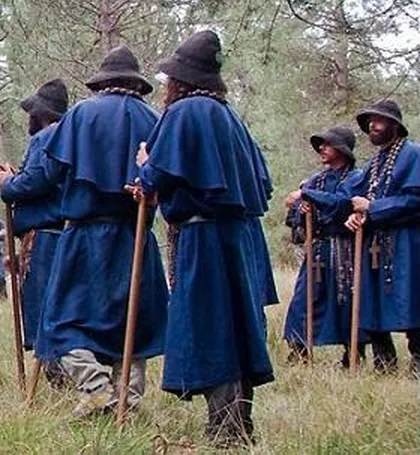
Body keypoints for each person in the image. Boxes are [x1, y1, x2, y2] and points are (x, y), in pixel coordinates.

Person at [135, 30, 274, 446]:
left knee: (213, 325)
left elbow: (159, 174)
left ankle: (227, 430)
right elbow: (260, 184)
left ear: (180, 81)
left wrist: (145, 163)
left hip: (206, 237)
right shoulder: (231, 117)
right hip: (240, 237)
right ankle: (237, 425)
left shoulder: (185, 112)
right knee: (236, 327)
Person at [36, 47, 168, 418]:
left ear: (103, 82)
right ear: (135, 83)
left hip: (85, 238)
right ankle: (129, 399)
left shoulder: (80, 114)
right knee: (133, 321)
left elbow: (51, 173)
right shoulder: (155, 120)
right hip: (134, 236)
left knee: (62, 319)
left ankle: (96, 388)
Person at [291, 99, 420, 375]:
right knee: (370, 304)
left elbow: (414, 201)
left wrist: (372, 208)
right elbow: (347, 200)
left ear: (394, 125)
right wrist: (352, 213)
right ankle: (384, 365)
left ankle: (418, 363)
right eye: (370, 121)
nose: (372, 125)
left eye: (379, 120)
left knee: (410, 300)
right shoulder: (375, 163)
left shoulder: (413, 155)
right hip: (375, 245)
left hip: (407, 242)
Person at [0, 77, 68, 368]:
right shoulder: (66, 135)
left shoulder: (46, 137)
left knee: (45, 308)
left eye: (31, 113)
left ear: (42, 113)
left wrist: (7, 182)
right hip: (57, 234)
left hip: (45, 238)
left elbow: (35, 181)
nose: (28, 119)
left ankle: (57, 373)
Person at [282, 126, 365, 366]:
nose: (322, 148)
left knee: (346, 299)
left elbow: (341, 204)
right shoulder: (315, 181)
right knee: (303, 300)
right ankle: (299, 352)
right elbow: (294, 216)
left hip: (344, 250)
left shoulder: (355, 178)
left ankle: (353, 355)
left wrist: (306, 196)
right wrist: (300, 209)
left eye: (328, 144)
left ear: (341, 149)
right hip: (317, 251)